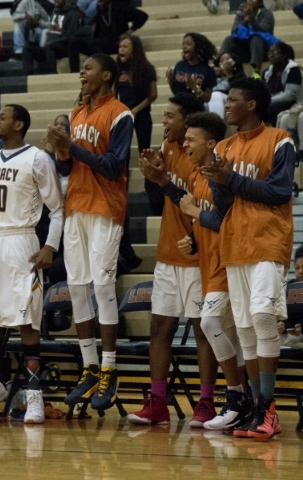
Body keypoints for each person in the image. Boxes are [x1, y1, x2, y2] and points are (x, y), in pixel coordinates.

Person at [200, 77, 295, 439]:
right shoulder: (222, 147)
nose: (226, 105)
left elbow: (279, 192)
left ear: (251, 104)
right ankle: (256, 409)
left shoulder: (279, 140)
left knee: (262, 319)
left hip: (268, 242)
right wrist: (221, 183)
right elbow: (225, 206)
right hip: (235, 245)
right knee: (245, 331)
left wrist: (232, 179)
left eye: (233, 100)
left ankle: (269, 408)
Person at [0, 103, 64, 423]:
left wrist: (50, 246)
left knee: (27, 318)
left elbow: (58, 208)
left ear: (19, 125)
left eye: (3, 117)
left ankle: (34, 396)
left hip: (22, 241)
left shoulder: (38, 158)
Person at [46, 53, 134, 411]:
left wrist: (73, 148)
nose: (82, 72)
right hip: (76, 206)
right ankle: (89, 368)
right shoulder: (74, 113)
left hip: (106, 207)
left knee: (102, 286)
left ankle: (110, 369)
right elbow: (65, 166)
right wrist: (60, 150)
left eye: (89, 68)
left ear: (107, 75)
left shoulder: (120, 113)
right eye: (81, 68)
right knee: (77, 289)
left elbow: (114, 166)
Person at [127, 93, 220, 427]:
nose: (164, 122)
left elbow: (192, 201)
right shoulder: (166, 148)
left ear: (188, 121)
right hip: (168, 252)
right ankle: (157, 402)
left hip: (198, 255)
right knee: (159, 327)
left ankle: (206, 402)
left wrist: (163, 180)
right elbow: (164, 200)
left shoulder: (203, 155)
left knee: (202, 329)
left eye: (169, 117)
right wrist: (155, 176)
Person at [175, 112, 252, 430]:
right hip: (208, 262)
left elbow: (225, 220)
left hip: (228, 262)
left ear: (210, 143)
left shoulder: (221, 174)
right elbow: (207, 219)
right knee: (232, 333)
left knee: (210, 323)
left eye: (190, 139)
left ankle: (236, 395)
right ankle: (246, 400)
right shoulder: (195, 175)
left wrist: (193, 211)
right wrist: (192, 238)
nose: (185, 143)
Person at [68, 0, 148, 73]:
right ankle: (74, 72)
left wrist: (128, 32)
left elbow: (143, 16)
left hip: (115, 42)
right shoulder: (100, 7)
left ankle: (105, 68)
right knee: (74, 41)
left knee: (94, 44)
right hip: (99, 42)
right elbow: (98, 27)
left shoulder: (120, 6)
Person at [115, 35, 157, 156]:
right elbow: (114, 92)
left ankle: (148, 175)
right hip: (123, 114)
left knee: (144, 151)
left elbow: (153, 94)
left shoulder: (147, 69)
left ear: (134, 49)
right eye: (120, 47)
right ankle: (124, 175)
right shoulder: (118, 68)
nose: (121, 49)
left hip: (142, 113)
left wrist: (135, 110)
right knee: (123, 152)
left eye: (125, 47)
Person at [22, 0, 80, 75]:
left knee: (48, 47)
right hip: (50, 46)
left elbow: (70, 36)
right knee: (27, 48)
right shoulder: (55, 12)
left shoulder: (72, 14)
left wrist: (52, 43)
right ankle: (28, 75)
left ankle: (52, 74)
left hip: (64, 47)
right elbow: (52, 32)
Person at [218, 0, 275, 76]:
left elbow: (263, 32)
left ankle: (256, 72)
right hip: (245, 51)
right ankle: (221, 66)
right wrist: (246, 19)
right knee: (229, 39)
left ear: (260, 2)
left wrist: (251, 17)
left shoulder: (267, 13)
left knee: (256, 38)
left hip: (262, 51)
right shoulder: (241, 13)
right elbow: (234, 31)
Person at [166, 32, 217, 103]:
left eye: (188, 44)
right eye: (183, 44)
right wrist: (171, 82)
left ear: (197, 47)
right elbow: (176, 93)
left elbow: (208, 98)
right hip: (179, 105)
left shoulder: (207, 70)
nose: (184, 47)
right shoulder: (179, 65)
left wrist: (195, 88)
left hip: (196, 108)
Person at [263, 42, 303, 126]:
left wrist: (268, 100)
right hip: (273, 100)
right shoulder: (268, 71)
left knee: (273, 107)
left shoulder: (293, 70)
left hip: (294, 102)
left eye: (275, 53)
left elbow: (289, 95)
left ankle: (275, 133)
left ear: (284, 55)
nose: (271, 55)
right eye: (269, 53)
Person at [208, 52, 246, 119]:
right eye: (222, 60)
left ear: (234, 63)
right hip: (210, 100)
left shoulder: (238, 77)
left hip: (227, 99)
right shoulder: (214, 76)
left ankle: (216, 125)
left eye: (228, 59)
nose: (225, 62)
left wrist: (228, 73)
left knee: (215, 95)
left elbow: (238, 93)